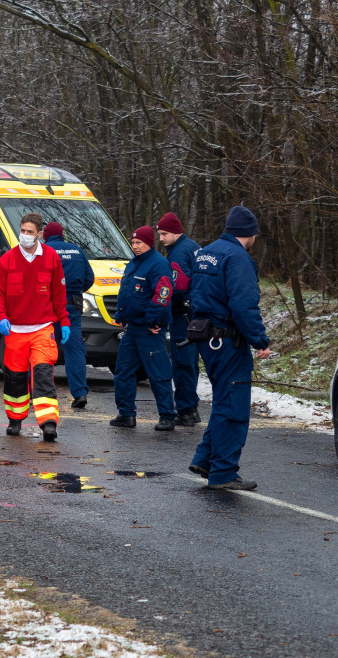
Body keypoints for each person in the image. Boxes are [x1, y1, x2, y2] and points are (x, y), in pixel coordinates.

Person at [188, 206, 272, 491]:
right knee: (233, 406)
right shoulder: (238, 258)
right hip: (226, 340)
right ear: (251, 234)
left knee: (224, 400)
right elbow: (243, 305)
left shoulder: (204, 253)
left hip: (205, 338)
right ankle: (223, 471)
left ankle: (205, 459)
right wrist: (259, 340)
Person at [0, 212, 70, 441]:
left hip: (43, 328)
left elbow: (58, 293)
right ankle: (15, 420)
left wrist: (64, 320)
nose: (25, 235)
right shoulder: (7, 260)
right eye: (22, 231)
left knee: (43, 374)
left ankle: (48, 423)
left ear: (40, 234)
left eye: (30, 232)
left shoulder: (51, 258)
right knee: (15, 378)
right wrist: (1, 317)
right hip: (15, 330)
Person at [110, 226, 176, 431]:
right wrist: (120, 314)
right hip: (132, 328)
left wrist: (152, 320)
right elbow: (126, 291)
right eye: (133, 243)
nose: (135, 246)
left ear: (149, 243)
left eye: (139, 243)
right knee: (123, 371)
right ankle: (126, 414)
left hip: (149, 330)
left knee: (158, 373)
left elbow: (163, 295)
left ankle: (167, 415)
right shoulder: (133, 264)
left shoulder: (159, 265)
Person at [156, 212, 203, 426]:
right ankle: (191, 408)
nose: (161, 239)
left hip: (181, 315)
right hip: (195, 314)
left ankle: (185, 409)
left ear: (176, 232)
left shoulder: (178, 253)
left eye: (164, 234)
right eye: (159, 234)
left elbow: (178, 286)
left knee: (183, 363)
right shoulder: (194, 247)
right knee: (191, 362)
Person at [42, 221, 95, 409]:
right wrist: (75, 291)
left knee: (43, 350)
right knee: (74, 350)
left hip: (47, 307)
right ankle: (80, 393)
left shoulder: (43, 250)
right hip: (72, 307)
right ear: (62, 235)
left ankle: (41, 394)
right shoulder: (76, 251)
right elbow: (90, 278)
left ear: (45, 235)